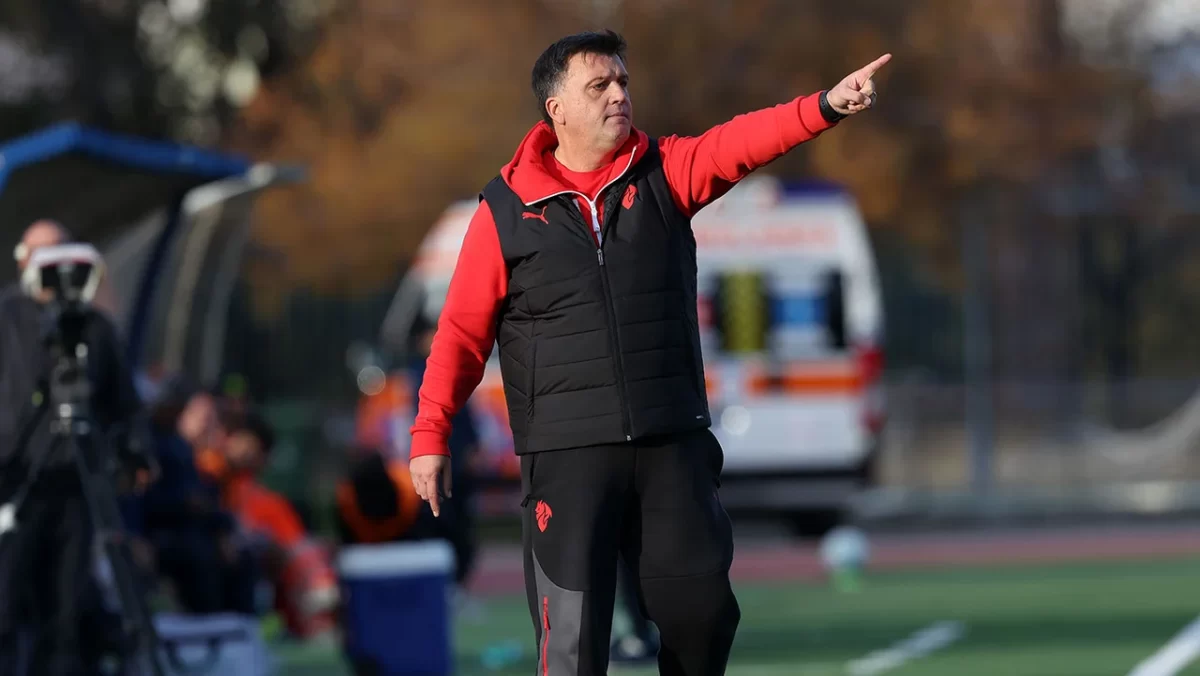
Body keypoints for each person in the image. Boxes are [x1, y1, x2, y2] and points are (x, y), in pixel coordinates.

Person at [408, 30, 889, 676]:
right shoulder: (505, 210)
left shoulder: (665, 171)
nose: (618, 95)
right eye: (599, 85)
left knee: (703, 614)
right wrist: (430, 432)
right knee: (572, 646)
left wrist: (824, 105)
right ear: (556, 109)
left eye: (623, 82)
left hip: (671, 444)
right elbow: (461, 334)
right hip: (567, 455)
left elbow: (740, 143)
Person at [0, 220, 155, 676]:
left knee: (65, 613)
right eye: (41, 254)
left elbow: (124, 404)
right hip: (15, 487)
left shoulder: (95, 328)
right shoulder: (5, 319)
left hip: (77, 486)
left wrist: (133, 453)